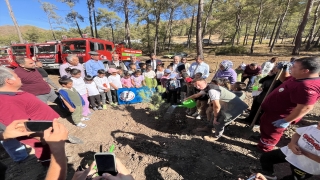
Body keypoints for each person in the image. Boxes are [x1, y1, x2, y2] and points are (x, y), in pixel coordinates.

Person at [258, 57, 320, 152]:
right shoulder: (299, 77)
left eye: (294, 67)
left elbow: (306, 107)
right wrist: (283, 69)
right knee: (266, 128)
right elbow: (285, 79)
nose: (291, 68)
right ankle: (263, 140)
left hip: (280, 116)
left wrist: (286, 120)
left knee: (272, 133)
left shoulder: (307, 86)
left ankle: (265, 148)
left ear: (305, 71)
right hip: (272, 112)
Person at [0, 66, 59, 162]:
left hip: (45, 131)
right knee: (48, 154)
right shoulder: (5, 102)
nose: (20, 77)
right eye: (17, 76)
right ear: (9, 81)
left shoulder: (11, 94)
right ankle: (49, 164)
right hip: (42, 136)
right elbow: (20, 126)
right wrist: (41, 138)